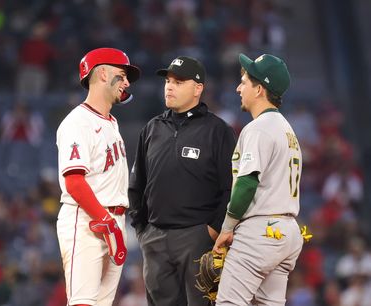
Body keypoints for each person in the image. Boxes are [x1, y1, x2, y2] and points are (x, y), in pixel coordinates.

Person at [128, 56, 236, 305]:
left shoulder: (218, 131)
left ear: (198, 88)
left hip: (197, 238)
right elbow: (137, 184)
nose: (169, 86)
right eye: (168, 81)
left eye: (178, 81)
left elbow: (231, 187)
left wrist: (211, 229)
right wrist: (142, 229)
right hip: (156, 237)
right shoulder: (152, 129)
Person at [212, 53, 303, 306]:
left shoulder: (259, 128)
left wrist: (227, 227)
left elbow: (248, 182)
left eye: (244, 82)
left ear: (260, 89)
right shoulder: (287, 130)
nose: (238, 88)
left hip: (261, 231)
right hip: (286, 232)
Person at [56, 47, 141, 306]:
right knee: (83, 301)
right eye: (122, 74)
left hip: (112, 220)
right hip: (87, 220)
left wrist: (114, 225)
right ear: (103, 73)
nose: (127, 82)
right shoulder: (77, 122)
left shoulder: (111, 122)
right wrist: (106, 221)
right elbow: (74, 181)